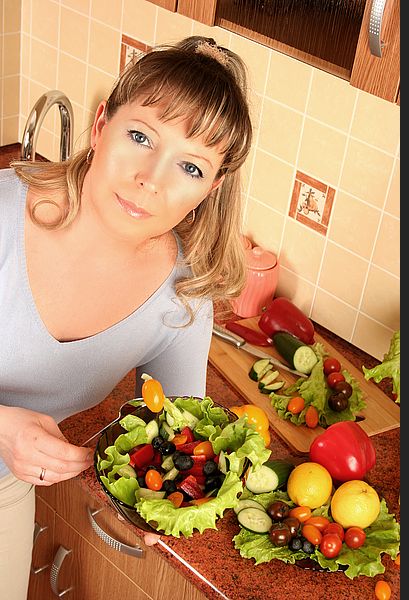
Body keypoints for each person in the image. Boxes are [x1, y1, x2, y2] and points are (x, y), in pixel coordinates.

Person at [0, 36, 252, 599]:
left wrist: (169, 508)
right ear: (99, 127)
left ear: (211, 189)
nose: (151, 179)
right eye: (140, 136)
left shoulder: (183, 295)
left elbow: (181, 435)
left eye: (190, 165)